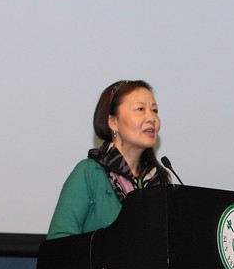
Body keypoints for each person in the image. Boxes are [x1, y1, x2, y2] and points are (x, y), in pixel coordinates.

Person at [47, 80, 170, 239]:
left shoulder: (158, 181)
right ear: (113, 122)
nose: (151, 118)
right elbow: (58, 240)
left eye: (154, 110)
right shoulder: (88, 172)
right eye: (140, 109)